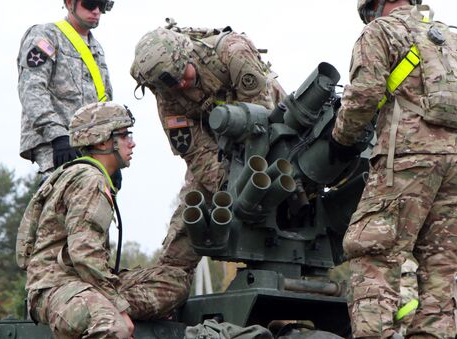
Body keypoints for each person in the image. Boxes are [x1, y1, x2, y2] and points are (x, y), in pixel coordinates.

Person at [330, 0, 457, 338]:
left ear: (374, 7)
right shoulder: (454, 40)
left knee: (373, 255)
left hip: (407, 162)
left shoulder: (380, 32)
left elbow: (363, 97)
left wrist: (341, 140)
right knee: (438, 281)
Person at [129, 19, 286, 308]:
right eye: (173, 85)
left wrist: (248, 183)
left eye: (184, 77)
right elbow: (194, 150)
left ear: (188, 56)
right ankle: (160, 296)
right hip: (218, 150)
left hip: (272, 140)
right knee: (189, 220)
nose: (182, 86)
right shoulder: (167, 92)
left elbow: (263, 122)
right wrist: (227, 188)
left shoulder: (232, 54)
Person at [20, 102, 190, 338]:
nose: (132, 143)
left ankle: (102, 304)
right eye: (124, 135)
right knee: (113, 327)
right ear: (102, 141)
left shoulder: (88, 175)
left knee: (174, 281)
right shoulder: (90, 180)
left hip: (85, 282)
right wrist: (118, 309)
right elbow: (84, 255)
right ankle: (102, 309)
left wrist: (115, 301)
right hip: (56, 287)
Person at [17, 0, 121, 187]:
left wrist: (112, 150)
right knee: (61, 208)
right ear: (69, 3)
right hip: (57, 145)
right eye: (90, 4)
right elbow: (32, 90)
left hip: (93, 149)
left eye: (102, 6)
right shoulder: (46, 36)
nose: (96, 11)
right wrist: (58, 136)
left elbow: (104, 102)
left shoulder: (96, 48)